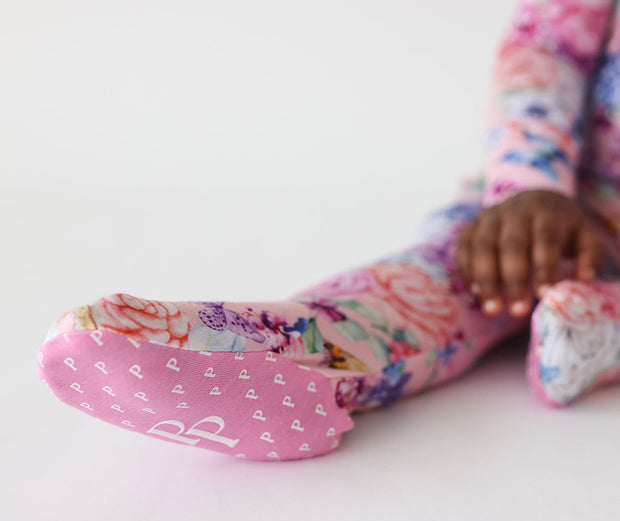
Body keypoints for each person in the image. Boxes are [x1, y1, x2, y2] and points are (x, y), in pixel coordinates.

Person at [37, 0, 620, 461]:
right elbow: (545, 48)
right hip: (549, 211)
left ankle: (589, 332)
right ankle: (281, 352)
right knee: (420, 286)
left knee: (555, 306)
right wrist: (527, 185)